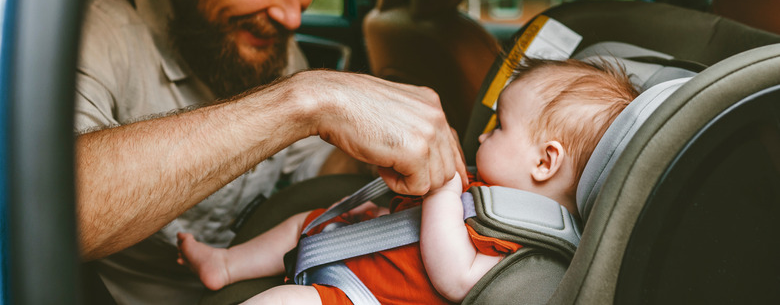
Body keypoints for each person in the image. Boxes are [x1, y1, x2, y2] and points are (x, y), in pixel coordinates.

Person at [75, 0, 465, 303]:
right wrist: (305, 100)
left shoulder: (256, 31)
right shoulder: (92, 27)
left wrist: (376, 155)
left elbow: (307, 167)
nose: (292, 17)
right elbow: (53, 209)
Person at [176, 57, 640, 304]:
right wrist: (388, 216)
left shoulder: (531, 253)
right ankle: (227, 264)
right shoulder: (490, 190)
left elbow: (454, 276)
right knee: (304, 222)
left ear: (545, 161)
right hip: (365, 255)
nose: (483, 132)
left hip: (363, 298)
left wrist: (441, 190)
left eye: (499, 127)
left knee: (285, 303)